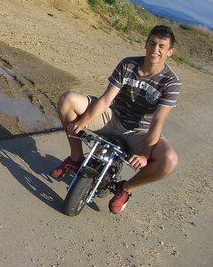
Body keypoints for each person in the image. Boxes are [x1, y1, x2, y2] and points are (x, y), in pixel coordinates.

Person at [51, 25, 181, 214]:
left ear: (170, 52)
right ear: (145, 44)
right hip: (112, 117)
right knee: (67, 100)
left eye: (162, 46)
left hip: (140, 132)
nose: (155, 49)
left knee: (170, 160)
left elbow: (158, 121)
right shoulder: (129, 64)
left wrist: (145, 155)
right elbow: (105, 100)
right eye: (152, 43)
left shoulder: (171, 82)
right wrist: (83, 122)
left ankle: (126, 188)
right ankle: (76, 158)